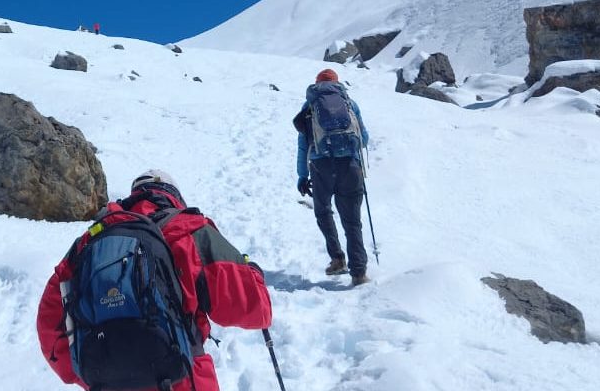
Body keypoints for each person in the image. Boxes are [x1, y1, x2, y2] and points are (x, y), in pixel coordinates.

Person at [36, 170, 272, 391]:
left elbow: (51, 326)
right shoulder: (191, 231)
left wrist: (95, 372)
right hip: (181, 379)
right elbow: (255, 309)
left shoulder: (89, 243)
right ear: (174, 197)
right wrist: (253, 272)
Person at [293, 69, 371, 286]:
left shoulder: (309, 107)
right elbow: (363, 138)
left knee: (323, 212)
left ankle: (337, 259)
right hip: (350, 168)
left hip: (321, 167)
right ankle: (359, 273)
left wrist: (302, 175)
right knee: (352, 221)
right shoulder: (349, 104)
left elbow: (303, 145)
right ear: (337, 84)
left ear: (317, 84)